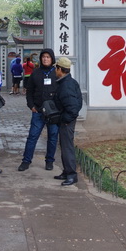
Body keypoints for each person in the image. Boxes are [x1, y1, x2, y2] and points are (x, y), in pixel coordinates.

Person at [18, 48, 59, 172]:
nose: (45, 59)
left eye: (48, 57)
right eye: (43, 57)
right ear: (40, 59)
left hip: (53, 112)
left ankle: (50, 161)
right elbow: (29, 91)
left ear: (52, 59)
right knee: (32, 136)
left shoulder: (56, 72)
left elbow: (62, 91)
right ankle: (26, 161)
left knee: (52, 136)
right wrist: (31, 106)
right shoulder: (36, 73)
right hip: (38, 111)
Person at [52, 56, 83, 186]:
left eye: (56, 68)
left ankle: (71, 174)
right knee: (64, 146)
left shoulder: (66, 85)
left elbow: (72, 108)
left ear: (60, 69)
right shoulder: (70, 82)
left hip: (67, 121)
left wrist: (65, 119)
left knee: (67, 147)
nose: (55, 71)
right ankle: (66, 171)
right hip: (66, 119)